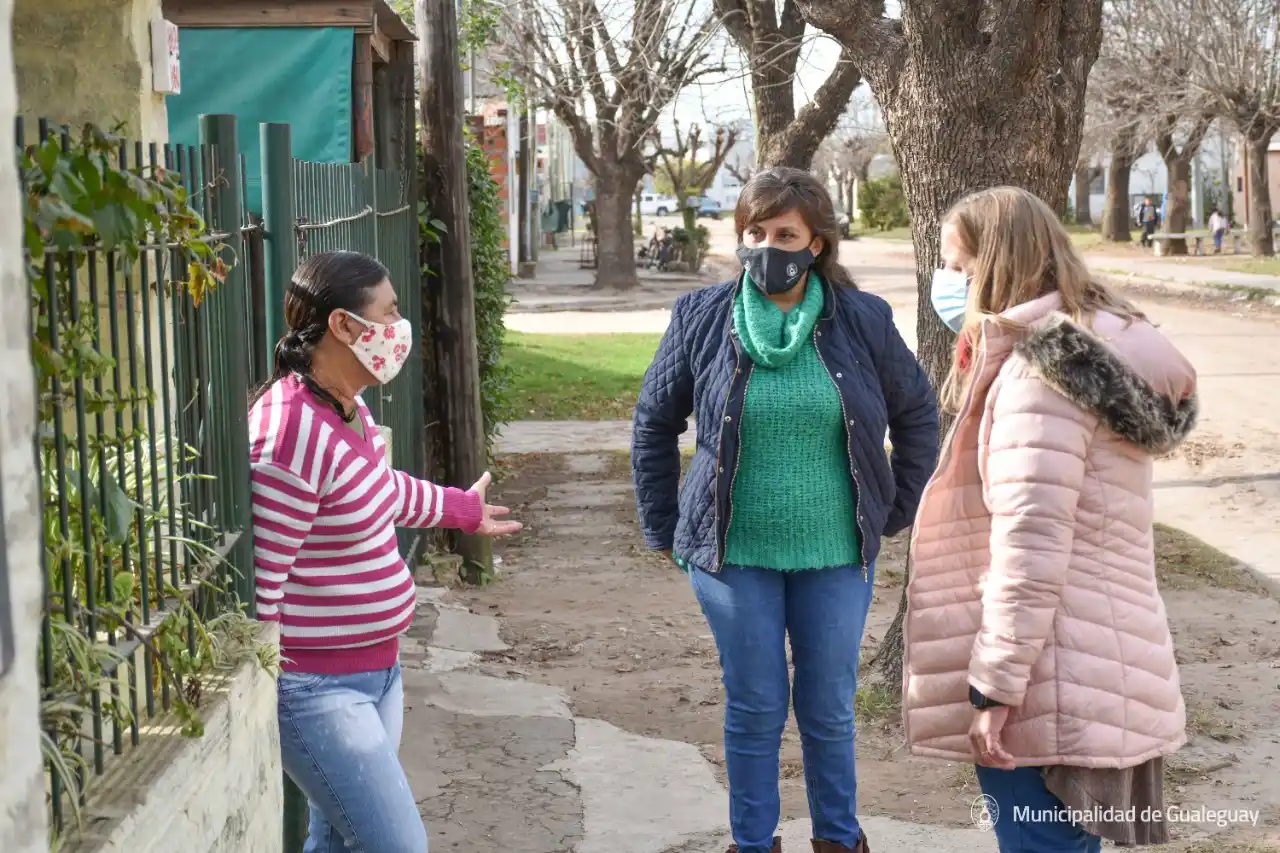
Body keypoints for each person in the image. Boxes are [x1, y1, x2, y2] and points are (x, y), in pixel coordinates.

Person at [632, 167, 940, 853]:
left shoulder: (861, 320)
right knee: (756, 706)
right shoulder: (703, 317)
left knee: (828, 709)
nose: (767, 246)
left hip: (834, 552)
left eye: (784, 234)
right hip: (731, 553)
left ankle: (837, 838)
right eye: (755, 232)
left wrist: (895, 508)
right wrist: (662, 524)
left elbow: (918, 412)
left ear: (818, 245)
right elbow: (654, 422)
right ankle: (753, 841)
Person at [904, 186, 1196, 853]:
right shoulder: (1087, 350)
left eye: (956, 266)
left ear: (997, 267)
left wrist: (995, 686)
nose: (945, 284)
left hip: (1052, 676)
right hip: (1099, 655)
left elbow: (1030, 547)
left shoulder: (1040, 377)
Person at [249, 250, 521, 853]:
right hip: (318, 690)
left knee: (341, 842)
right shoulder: (289, 432)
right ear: (344, 325)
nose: (401, 329)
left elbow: (377, 490)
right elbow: (263, 583)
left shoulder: (347, 405)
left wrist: (460, 509)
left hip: (378, 671)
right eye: (390, 312)